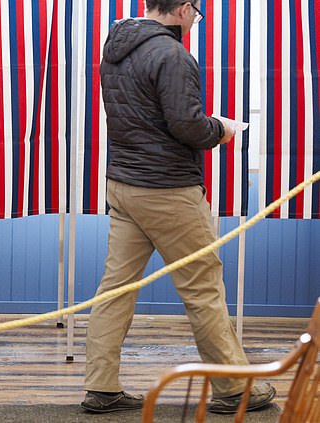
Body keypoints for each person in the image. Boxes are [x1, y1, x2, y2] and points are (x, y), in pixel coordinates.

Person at [81, 0, 276, 415]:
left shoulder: (115, 46)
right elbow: (186, 126)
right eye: (197, 14)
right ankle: (234, 390)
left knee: (115, 289)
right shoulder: (173, 54)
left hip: (123, 183)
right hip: (167, 190)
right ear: (184, 9)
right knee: (203, 289)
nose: (196, 22)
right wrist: (221, 129)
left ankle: (101, 387)